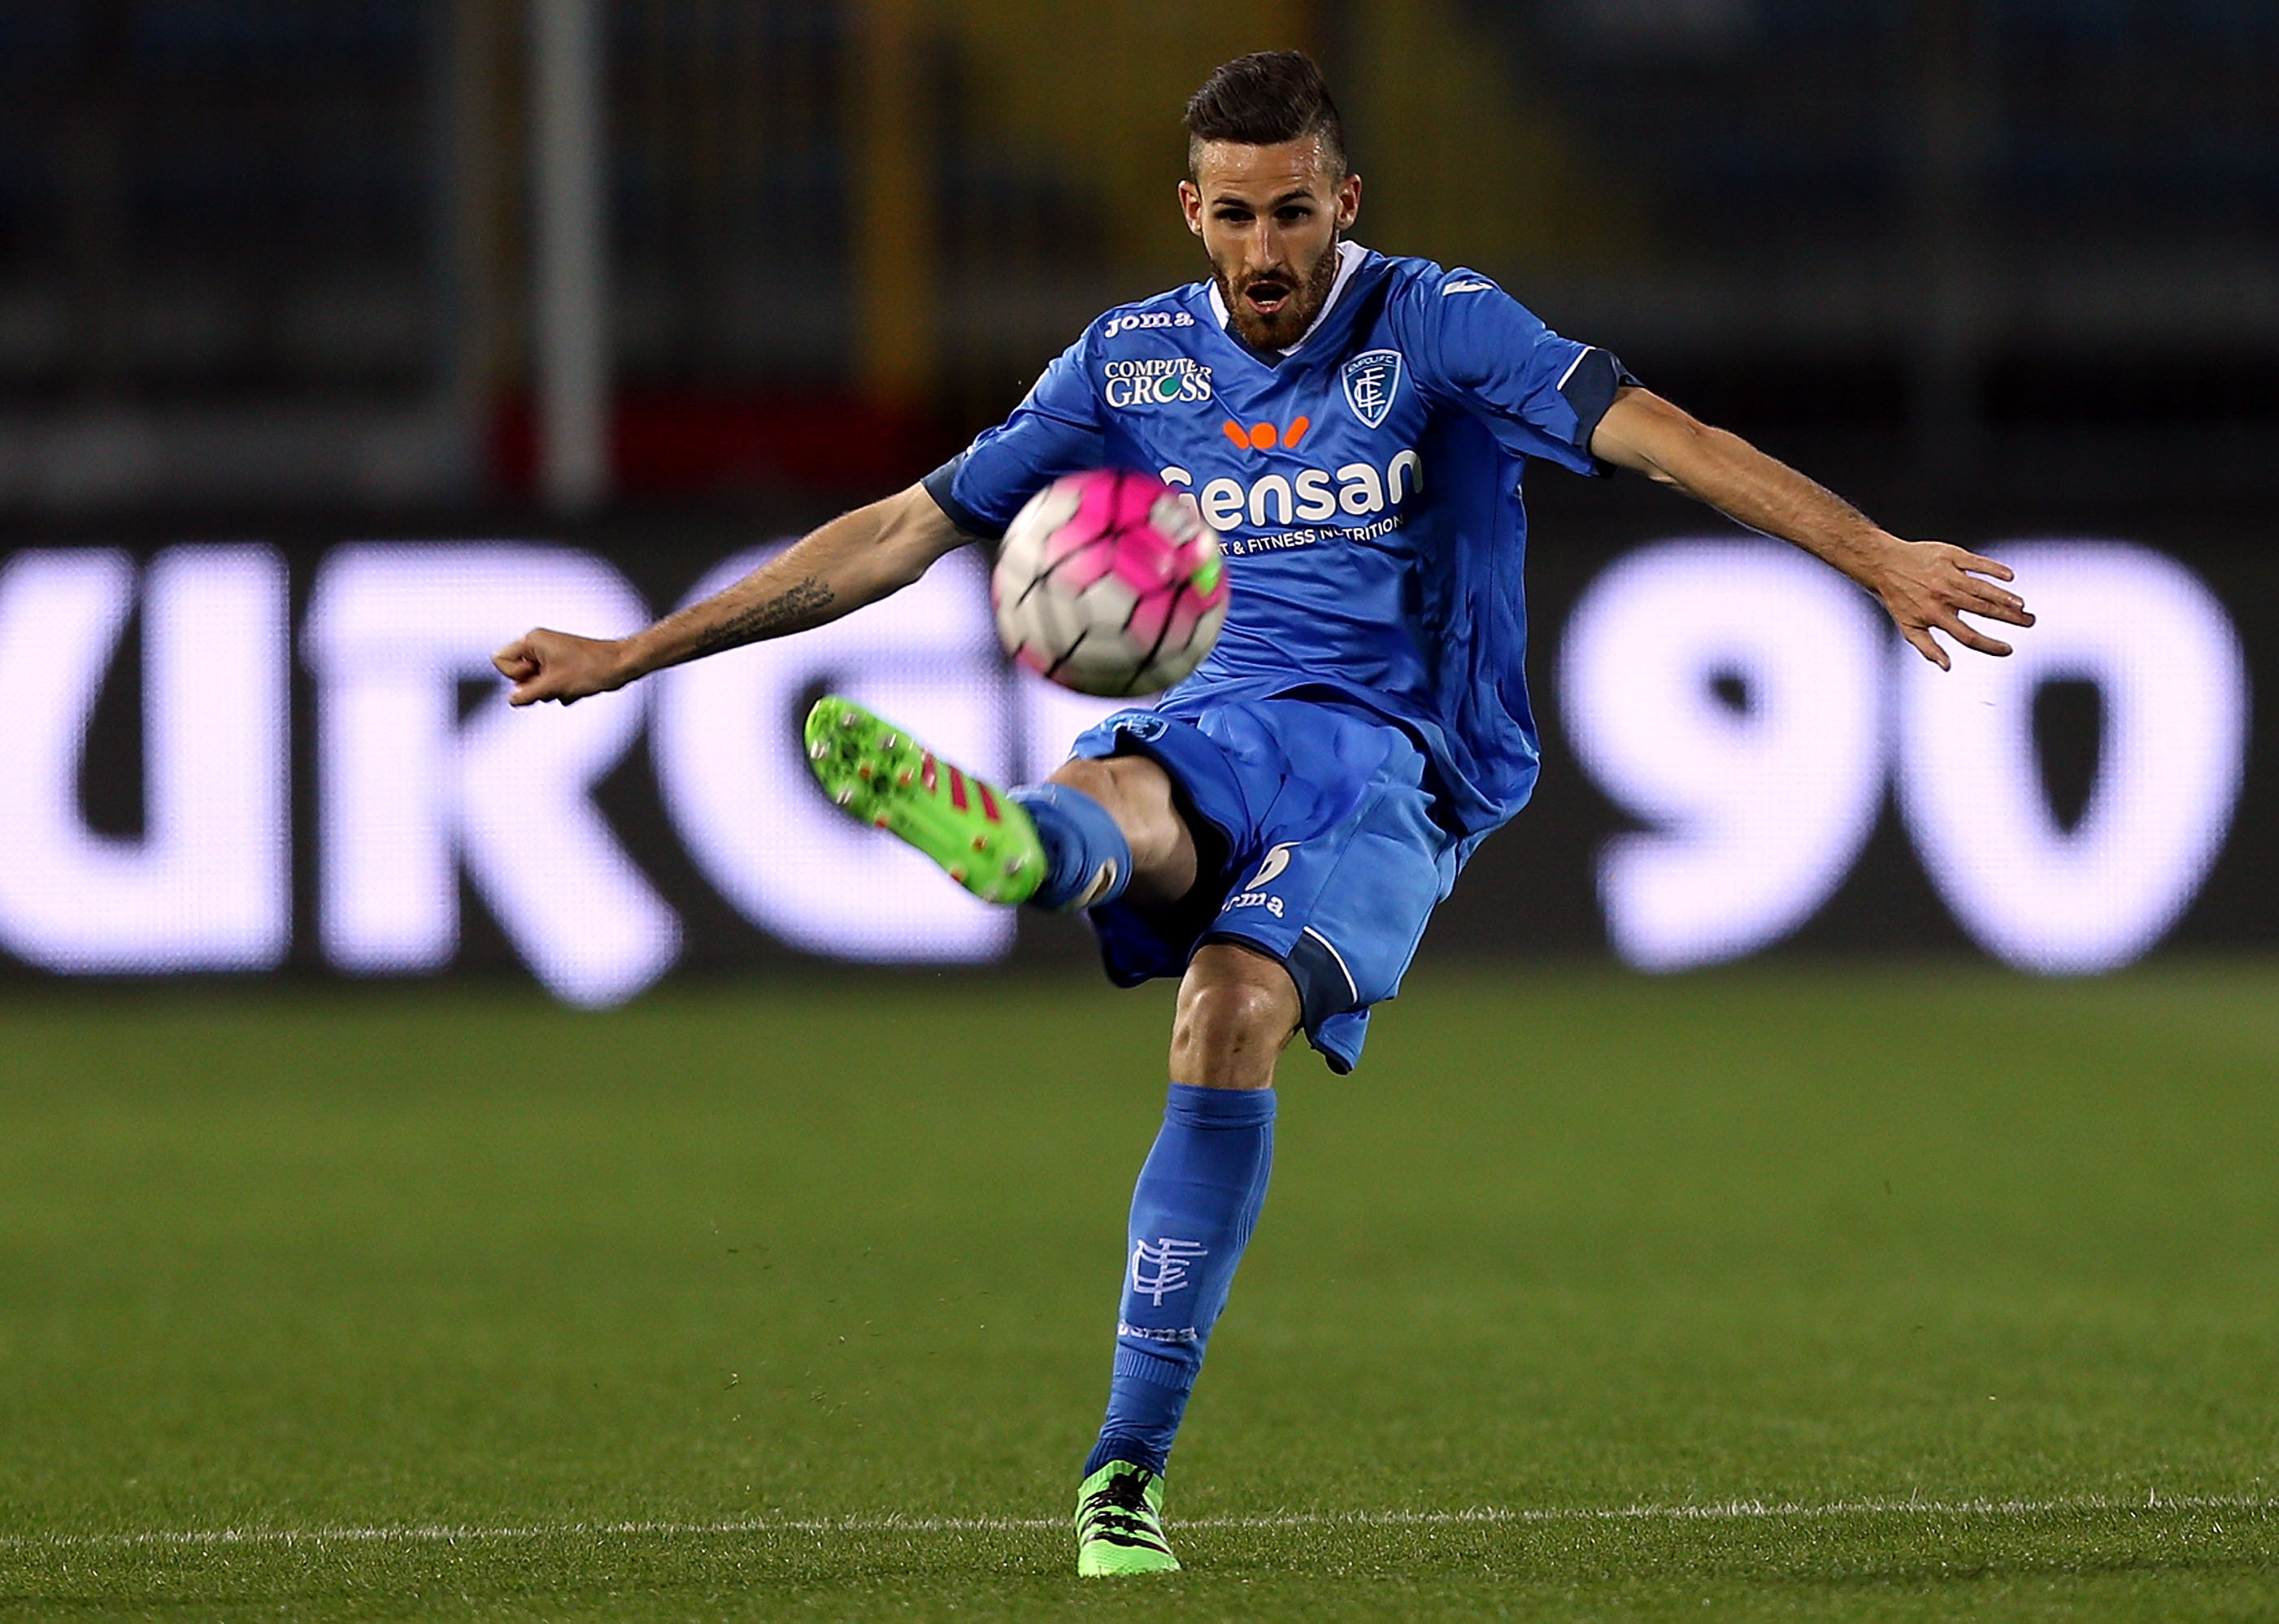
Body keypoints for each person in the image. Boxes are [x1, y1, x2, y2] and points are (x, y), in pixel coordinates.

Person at [493, 50, 2033, 1578]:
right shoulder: (1131, 362)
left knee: (1230, 1004)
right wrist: (637, 651)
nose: (1264, 254)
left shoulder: (1439, 325)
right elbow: (907, 526)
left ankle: (1118, 1432)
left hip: (1396, 758)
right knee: (1136, 801)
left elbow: (1666, 438)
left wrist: (1874, 553)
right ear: (1190, 210)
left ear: (1342, 200)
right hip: (1214, 715)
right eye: (1233, 219)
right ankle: (1029, 858)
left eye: (1293, 215)